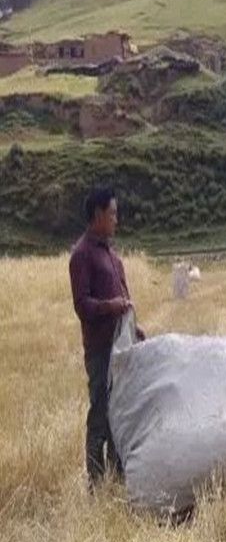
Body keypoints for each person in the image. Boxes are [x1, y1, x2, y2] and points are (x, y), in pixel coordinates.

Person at [68, 187, 145, 487]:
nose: (116, 219)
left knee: (120, 411)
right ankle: (96, 481)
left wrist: (135, 327)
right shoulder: (81, 255)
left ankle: (117, 474)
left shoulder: (113, 256)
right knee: (100, 412)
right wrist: (110, 306)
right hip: (100, 350)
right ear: (98, 215)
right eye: (112, 213)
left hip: (121, 347)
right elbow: (82, 305)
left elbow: (125, 298)